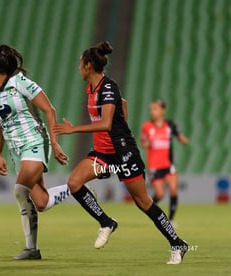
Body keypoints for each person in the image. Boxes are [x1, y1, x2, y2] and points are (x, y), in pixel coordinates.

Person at [53, 41, 189, 264]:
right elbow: (123, 105)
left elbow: (106, 123)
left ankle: (178, 244)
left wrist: (74, 129)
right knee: (74, 183)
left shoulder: (108, 87)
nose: (78, 68)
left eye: (80, 64)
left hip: (123, 152)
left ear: (88, 66)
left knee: (143, 201)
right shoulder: (91, 88)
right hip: (103, 153)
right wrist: (120, 126)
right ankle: (106, 222)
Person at [0, 44, 70, 260]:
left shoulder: (19, 83)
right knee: (41, 202)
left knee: (20, 191)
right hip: (16, 149)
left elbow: (50, 109)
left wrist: (56, 143)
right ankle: (76, 188)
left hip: (35, 141)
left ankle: (32, 249)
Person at [141, 100, 189, 224]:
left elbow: (180, 137)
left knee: (173, 189)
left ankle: (171, 219)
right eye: (151, 109)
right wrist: (147, 142)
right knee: (160, 194)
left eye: (155, 109)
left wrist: (184, 140)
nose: (153, 111)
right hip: (155, 166)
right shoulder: (147, 126)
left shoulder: (170, 125)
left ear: (163, 110)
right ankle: (149, 209)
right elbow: (143, 142)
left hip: (169, 164)